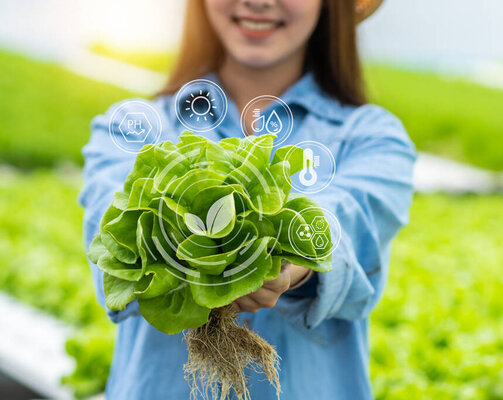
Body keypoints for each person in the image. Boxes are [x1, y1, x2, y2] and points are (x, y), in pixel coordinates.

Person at [79, 0, 416, 399]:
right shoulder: (129, 129)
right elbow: (112, 247)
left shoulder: (372, 137)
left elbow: (349, 218)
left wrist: (292, 263)